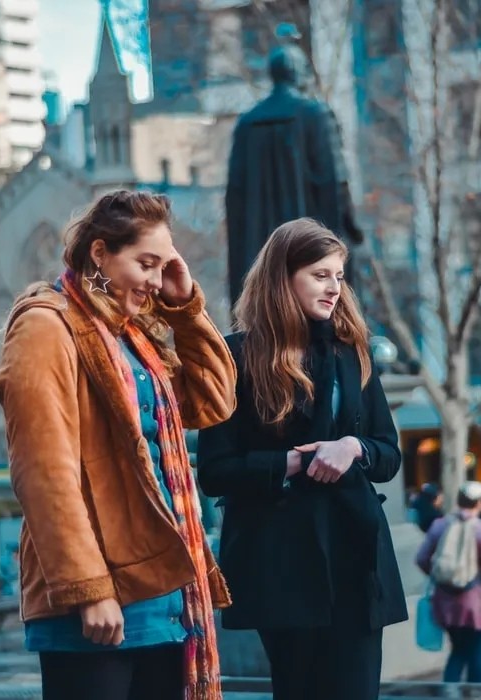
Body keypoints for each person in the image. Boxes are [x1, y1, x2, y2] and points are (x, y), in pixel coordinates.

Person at [0, 190, 237, 700]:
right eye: (146, 264)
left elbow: (213, 399)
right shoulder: (45, 327)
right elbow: (45, 473)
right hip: (95, 603)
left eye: (163, 266)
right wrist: (89, 590)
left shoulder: (134, 338)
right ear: (100, 254)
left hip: (163, 596)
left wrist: (185, 309)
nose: (155, 281)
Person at [197, 218, 407, 700]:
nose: (334, 288)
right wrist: (292, 462)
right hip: (280, 561)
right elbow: (215, 471)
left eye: (339, 276)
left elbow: (387, 453)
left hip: (355, 553)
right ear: (283, 277)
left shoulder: (352, 353)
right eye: (320, 275)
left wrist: (352, 448)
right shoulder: (236, 356)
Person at [224, 42, 364, 307]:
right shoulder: (316, 115)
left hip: (259, 252)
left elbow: (235, 196)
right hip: (314, 252)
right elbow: (336, 182)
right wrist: (352, 229)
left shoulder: (247, 123)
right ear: (298, 73)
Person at [416, 481, 481, 684]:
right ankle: (476, 694)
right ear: (479, 502)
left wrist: (440, 577)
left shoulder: (440, 525)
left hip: (444, 601)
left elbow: (421, 558)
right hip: (474, 602)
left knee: (458, 651)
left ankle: (450, 692)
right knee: (476, 654)